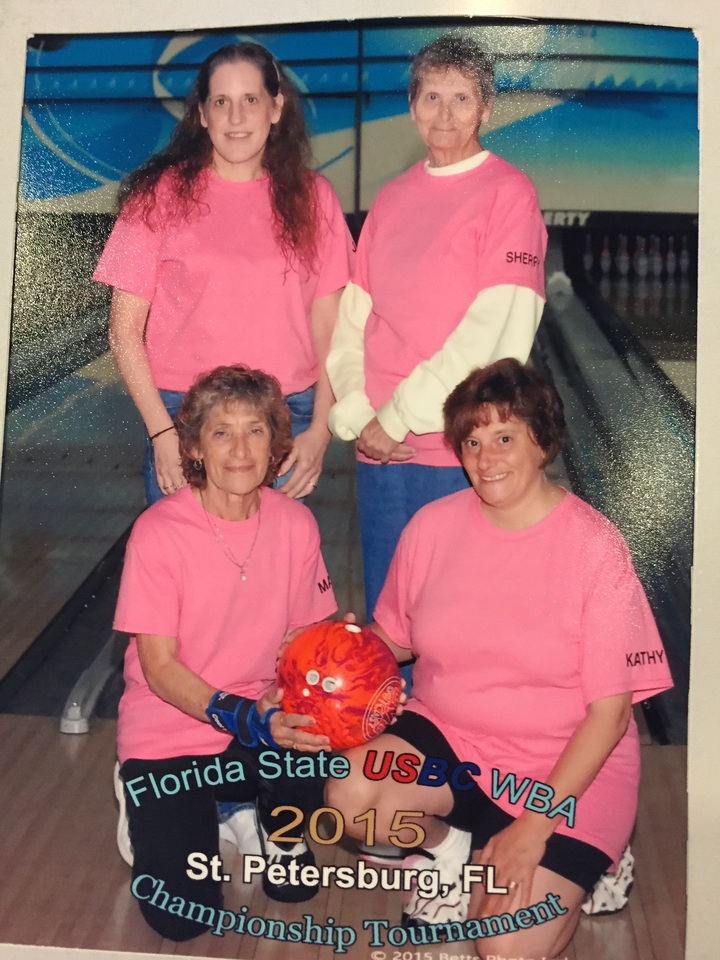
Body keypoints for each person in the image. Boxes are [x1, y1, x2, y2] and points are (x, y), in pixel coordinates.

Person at [327, 359, 673, 959]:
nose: (486, 459)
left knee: (504, 949)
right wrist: (324, 658)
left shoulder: (596, 549)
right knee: (353, 796)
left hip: (563, 769)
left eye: (504, 437)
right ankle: (445, 849)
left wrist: (534, 829)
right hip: (453, 741)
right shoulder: (431, 529)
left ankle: (599, 862)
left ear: (542, 440)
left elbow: (611, 715)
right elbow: (395, 637)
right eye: (472, 441)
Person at [326, 34, 547, 619]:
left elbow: (496, 334)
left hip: (458, 449)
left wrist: (398, 415)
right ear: (412, 105)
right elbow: (355, 315)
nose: (445, 114)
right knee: (388, 618)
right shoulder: (393, 198)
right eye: (431, 97)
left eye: (462, 98)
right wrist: (356, 410)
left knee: (454, 620)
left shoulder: (509, 193)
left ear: (486, 109)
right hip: (379, 448)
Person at [114, 365, 337, 941]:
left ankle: (273, 826)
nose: (240, 449)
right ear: (193, 447)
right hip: (173, 725)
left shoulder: (295, 523)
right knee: (180, 919)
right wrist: (243, 714)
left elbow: (310, 640)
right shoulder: (160, 532)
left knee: (320, 720)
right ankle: (146, 788)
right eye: (221, 432)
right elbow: (159, 669)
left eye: (256, 431)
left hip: (258, 719)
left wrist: (330, 650)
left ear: (275, 444)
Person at [94, 42, 352, 505]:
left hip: (284, 421)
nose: (236, 117)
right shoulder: (157, 197)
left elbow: (330, 325)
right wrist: (162, 432)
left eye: (250, 100)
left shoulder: (315, 198)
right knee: (188, 573)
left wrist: (320, 430)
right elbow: (124, 331)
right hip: (185, 419)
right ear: (202, 114)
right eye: (221, 102)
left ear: (276, 109)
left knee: (270, 572)